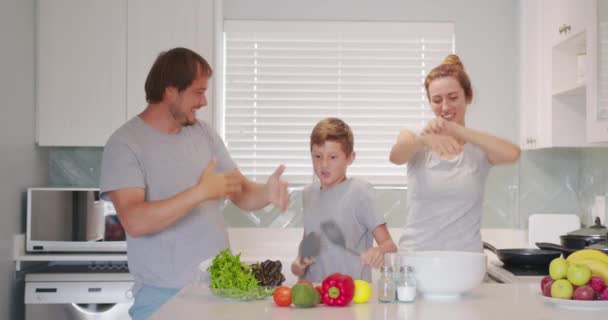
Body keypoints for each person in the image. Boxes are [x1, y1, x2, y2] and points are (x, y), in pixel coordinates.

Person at [99, 47, 289, 319]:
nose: (204, 102)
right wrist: (199, 192)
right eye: (198, 92)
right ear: (170, 91)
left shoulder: (204, 134)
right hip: (162, 296)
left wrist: (267, 193)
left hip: (220, 290)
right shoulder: (125, 144)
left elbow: (242, 193)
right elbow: (135, 220)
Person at [389, 54, 520, 253]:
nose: (445, 107)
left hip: (465, 262)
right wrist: (423, 139)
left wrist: (457, 130)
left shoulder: (478, 148)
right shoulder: (414, 135)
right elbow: (396, 156)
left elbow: (513, 154)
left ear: (468, 97)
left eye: (453, 98)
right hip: (416, 259)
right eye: (437, 100)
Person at [291, 117, 397, 283]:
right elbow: (306, 249)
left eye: (333, 157)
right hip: (314, 297)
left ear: (350, 158)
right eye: (317, 156)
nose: (324, 164)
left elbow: (389, 245)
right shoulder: (308, 194)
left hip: (350, 298)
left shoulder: (360, 192)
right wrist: (298, 266)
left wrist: (379, 251)